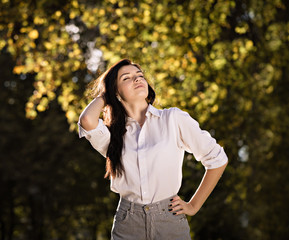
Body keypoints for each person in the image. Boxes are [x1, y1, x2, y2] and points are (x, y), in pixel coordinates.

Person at [78, 58, 228, 240]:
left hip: (170, 219)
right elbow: (87, 120)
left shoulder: (173, 119)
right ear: (116, 92)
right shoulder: (113, 136)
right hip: (128, 222)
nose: (137, 79)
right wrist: (106, 95)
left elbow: (217, 159)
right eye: (126, 78)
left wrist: (193, 206)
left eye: (139, 75)